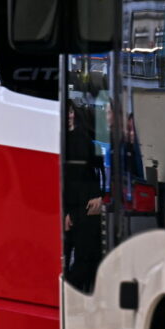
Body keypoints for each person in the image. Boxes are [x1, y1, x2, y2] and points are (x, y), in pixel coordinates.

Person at [64, 99, 105, 292]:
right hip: (77, 205)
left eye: (71, 112)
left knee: (85, 256)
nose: (70, 116)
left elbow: (85, 174)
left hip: (85, 204)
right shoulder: (70, 140)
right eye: (67, 113)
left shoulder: (81, 138)